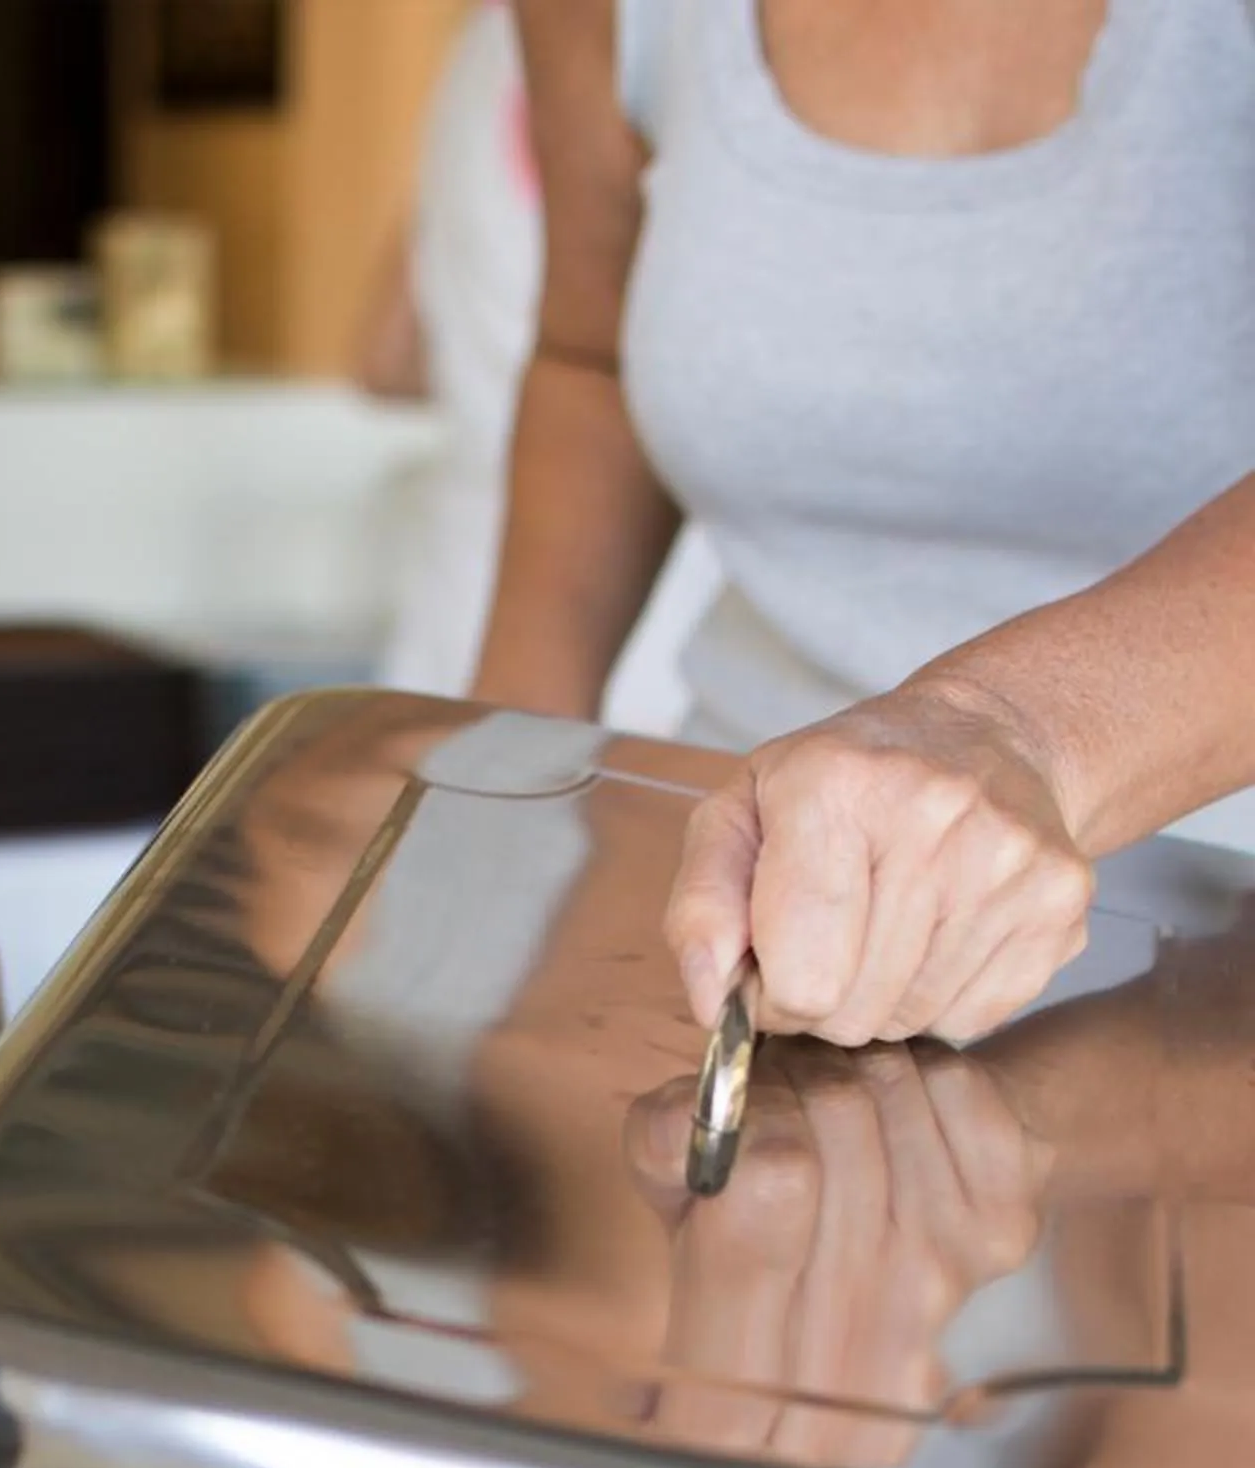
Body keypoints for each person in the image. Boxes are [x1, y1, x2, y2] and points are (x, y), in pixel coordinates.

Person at [475, 1, 1255, 1050]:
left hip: (1215, 968)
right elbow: (589, 353)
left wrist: (1009, 730)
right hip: (735, 942)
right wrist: (497, 793)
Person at [361, 2, 544, 697]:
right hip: (630, 620)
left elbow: (384, 358)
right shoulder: (661, 44)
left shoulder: (483, 45)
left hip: (456, 595)